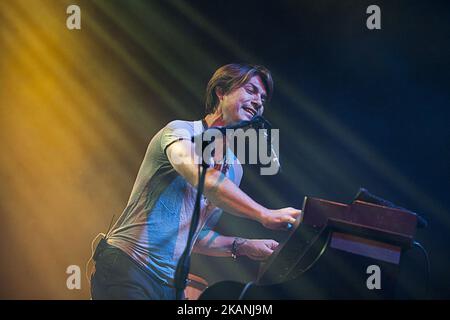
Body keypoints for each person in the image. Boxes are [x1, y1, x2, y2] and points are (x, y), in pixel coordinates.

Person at [90, 63, 302, 300]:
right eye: (251, 90)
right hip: (128, 266)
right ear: (221, 92)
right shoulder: (180, 132)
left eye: (263, 98)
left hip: (171, 286)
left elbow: (196, 237)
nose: (258, 101)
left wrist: (243, 245)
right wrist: (265, 214)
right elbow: (205, 179)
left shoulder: (234, 170)